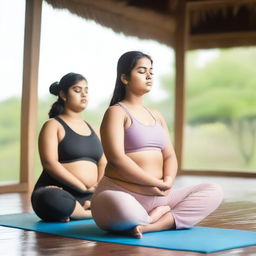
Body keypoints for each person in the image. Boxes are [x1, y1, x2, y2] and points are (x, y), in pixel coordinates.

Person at [91, 51, 223, 238]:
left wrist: (168, 180)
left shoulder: (156, 115)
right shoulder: (116, 112)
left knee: (213, 191)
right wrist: (154, 182)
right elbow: (116, 158)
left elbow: (169, 155)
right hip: (122, 194)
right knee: (120, 207)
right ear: (125, 78)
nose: (149, 75)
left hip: (161, 197)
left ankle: (152, 224)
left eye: (151, 71)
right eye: (142, 71)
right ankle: (160, 217)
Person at [31, 72, 106, 222]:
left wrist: (98, 187)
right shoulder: (53, 125)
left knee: (124, 194)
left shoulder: (95, 128)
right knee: (50, 197)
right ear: (63, 94)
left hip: (91, 194)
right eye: (77, 90)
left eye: (86, 90)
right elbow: (50, 163)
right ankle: (88, 212)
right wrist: (82, 187)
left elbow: (103, 162)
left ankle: (77, 210)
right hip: (60, 192)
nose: (83, 95)